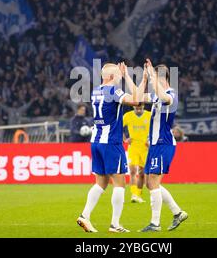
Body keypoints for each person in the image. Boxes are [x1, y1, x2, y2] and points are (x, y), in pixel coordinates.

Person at [77, 62, 144, 233]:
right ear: (113, 77)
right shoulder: (114, 91)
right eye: (119, 76)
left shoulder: (96, 91)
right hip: (111, 143)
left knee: (101, 182)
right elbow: (136, 101)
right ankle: (115, 224)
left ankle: (85, 216)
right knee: (120, 182)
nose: (120, 78)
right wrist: (129, 77)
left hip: (96, 141)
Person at [139, 59, 188, 232]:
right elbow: (138, 98)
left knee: (153, 181)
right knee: (149, 183)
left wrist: (152, 75)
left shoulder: (170, 94)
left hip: (163, 143)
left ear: (162, 78)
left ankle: (155, 223)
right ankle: (177, 212)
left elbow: (164, 97)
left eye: (155, 78)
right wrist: (144, 79)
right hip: (155, 144)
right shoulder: (156, 94)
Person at [123, 103, 151, 203]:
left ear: (143, 107)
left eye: (140, 108)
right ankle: (134, 195)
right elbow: (118, 127)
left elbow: (156, 129)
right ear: (133, 107)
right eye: (136, 108)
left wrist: (150, 139)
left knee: (142, 173)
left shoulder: (149, 115)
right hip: (133, 147)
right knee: (133, 171)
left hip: (145, 148)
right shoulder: (128, 116)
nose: (138, 110)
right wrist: (125, 139)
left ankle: (138, 194)